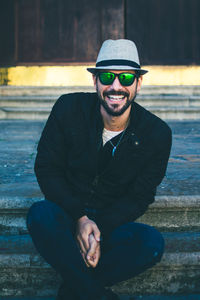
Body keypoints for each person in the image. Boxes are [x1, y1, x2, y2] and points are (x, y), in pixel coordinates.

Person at [27, 39, 172, 300]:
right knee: (40, 215)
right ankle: (95, 293)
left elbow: (140, 196)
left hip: (111, 223)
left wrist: (97, 233)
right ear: (95, 81)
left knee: (150, 243)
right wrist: (80, 219)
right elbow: (47, 168)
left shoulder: (157, 134)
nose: (116, 86)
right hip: (67, 213)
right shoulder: (68, 109)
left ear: (138, 83)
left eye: (126, 77)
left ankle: (77, 288)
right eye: (107, 76)